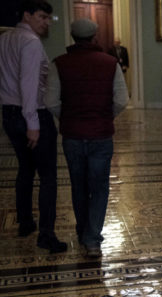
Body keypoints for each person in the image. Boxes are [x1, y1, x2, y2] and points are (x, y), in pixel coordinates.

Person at [44, 18, 129, 258]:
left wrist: (68, 118)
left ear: (73, 37)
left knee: (78, 185)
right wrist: (105, 116)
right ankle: (92, 240)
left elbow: (50, 101)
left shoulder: (59, 63)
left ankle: (83, 231)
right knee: (99, 188)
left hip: (72, 135)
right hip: (100, 135)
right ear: (95, 37)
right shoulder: (110, 63)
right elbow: (122, 100)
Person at [0, 0, 67, 253]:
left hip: (9, 113)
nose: (47, 22)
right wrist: (33, 124)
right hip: (32, 114)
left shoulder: (4, 38)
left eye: (49, 18)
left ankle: (25, 222)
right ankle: (46, 235)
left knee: (25, 169)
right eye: (42, 17)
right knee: (48, 176)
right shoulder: (30, 42)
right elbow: (28, 85)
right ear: (26, 15)